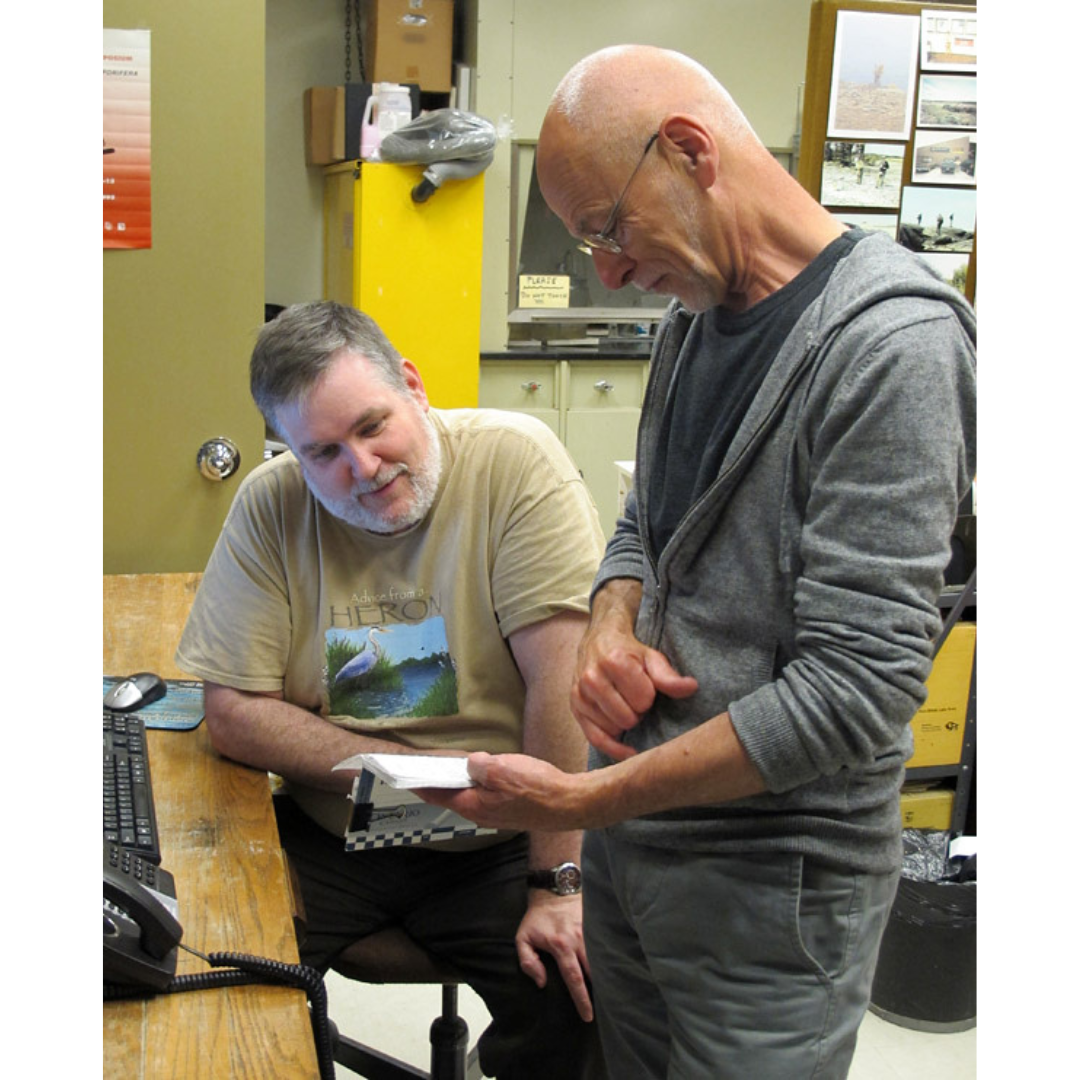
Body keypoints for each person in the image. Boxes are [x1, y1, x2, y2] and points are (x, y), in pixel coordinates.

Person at [418, 45, 976, 1079]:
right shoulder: (695, 317)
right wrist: (612, 619)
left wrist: (577, 806)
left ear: (688, 151)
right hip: (640, 854)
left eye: (607, 228)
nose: (610, 270)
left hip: (770, 894)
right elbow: (646, 522)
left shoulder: (893, 349)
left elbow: (857, 692)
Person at [175, 301, 606, 1079]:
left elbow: (563, 685)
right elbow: (232, 714)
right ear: (292, 453)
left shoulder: (513, 462)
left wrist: (557, 884)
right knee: (199, 974)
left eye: (373, 427)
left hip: (503, 837)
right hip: (332, 830)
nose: (363, 468)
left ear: (412, 385)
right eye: (325, 452)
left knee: (584, 998)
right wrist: (412, 773)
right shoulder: (271, 506)